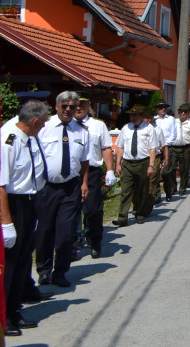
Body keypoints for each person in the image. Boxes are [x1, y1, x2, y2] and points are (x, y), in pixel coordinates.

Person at [0, 100, 49, 337]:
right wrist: (7, 223)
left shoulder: (28, 138)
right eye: (44, 123)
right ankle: (2, 316)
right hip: (13, 205)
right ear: (35, 121)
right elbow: (1, 186)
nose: (44, 127)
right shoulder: (9, 140)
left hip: (29, 202)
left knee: (22, 261)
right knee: (10, 263)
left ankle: (14, 309)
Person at [35, 90, 89, 288]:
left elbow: (84, 161)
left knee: (66, 232)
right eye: (64, 106)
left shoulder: (82, 131)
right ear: (56, 107)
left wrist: (84, 183)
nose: (68, 110)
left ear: (77, 108)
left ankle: (61, 272)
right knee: (45, 230)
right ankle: (44, 270)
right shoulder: (43, 128)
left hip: (70, 187)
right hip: (46, 187)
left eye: (72, 107)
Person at [77, 97, 115, 259]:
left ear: (88, 106)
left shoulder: (98, 125)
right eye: (75, 105)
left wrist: (110, 170)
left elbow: (106, 148)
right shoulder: (65, 125)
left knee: (93, 210)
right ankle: (72, 244)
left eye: (81, 105)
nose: (78, 108)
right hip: (72, 173)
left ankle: (94, 240)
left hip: (92, 171)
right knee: (71, 210)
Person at [113, 105, 158, 227]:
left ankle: (140, 213)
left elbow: (153, 149)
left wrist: (151, 165)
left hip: (143, 162)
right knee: (126, 190)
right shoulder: (125, 128)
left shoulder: (149, 129)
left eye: (135, 115)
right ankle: (122, 217)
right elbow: (120, 147)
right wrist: (117, 163)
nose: (133, 117)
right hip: (127, 163)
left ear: (141, 116)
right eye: (131, 115)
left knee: (142, 190)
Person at [169, 103, 190, 195]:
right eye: (181, 111)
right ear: (178, 112)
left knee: (184, 168)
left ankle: (182, 187)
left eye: (185, 112)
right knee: (172, 168)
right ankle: (173, 187)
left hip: (186, 148)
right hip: (174, 147)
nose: (183, 113)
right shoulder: (173, 122)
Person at [153, 102, 178, 200]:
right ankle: (157, 196)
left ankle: (168, 192)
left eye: (164, 108)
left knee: (166, 171)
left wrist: (165, 145)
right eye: (160, 108)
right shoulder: (154, 120)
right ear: (157, 109)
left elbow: (173, 134)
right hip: (156, 149)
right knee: (156, 173)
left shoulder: (171, 119)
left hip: (168, 147)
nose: (163, 109)